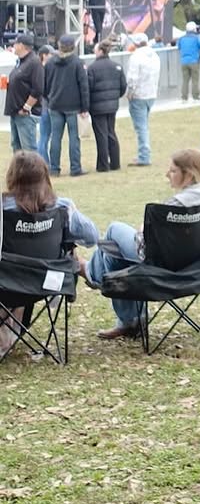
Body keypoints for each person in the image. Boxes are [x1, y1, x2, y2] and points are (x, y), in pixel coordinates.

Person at [83, 148, 200, 341]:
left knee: (113, 230)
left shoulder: (176, 204)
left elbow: (144, 247)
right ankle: (127, 320)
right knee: (112, 254)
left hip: (162, 266)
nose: (167, 175)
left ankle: (93, 276)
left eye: (173, 171)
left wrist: (142, 230)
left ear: (188, 175)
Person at [0, 151, 99, 359]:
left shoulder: (3, 208)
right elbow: (91, 237)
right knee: (70, 251)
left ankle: (9, 326)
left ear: (12, 177)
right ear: (45, 178)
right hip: (49, 283)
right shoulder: (62, 207)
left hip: (7, 284)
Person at [44, 34, 89, 177]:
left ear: (59, 46)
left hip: (55, 104)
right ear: (73, 47)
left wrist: (49, 98)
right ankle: (75, 168)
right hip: (74, 106)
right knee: (74, 137)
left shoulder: (50, 63)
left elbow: (45, 85)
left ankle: (54, 168)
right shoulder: (77, 63)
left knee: (55, 137)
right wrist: (85, 107)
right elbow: (84, 86)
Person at [86, 39, 127, 172]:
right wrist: (114, 97)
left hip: (97, 106)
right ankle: (115, 162)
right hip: (112, 105)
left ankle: (103, 164)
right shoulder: (117, 66)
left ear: (100, 51)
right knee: (111, 132)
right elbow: (123, 86)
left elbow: (88, 88)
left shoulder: (92, 68)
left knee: (101, 135)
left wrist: (87, 105)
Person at [126, 31, 161, 167]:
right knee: (144, 125)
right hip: (151, 93)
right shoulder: (154, 55)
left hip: (139, 95)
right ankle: (144, 154)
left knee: (141, 127)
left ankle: (144, 156)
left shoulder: (136, 57)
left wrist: (130, 92)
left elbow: (132, 78)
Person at [5, 32, 44, 152]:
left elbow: (38, 88)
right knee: (16, 147)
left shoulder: (34, 62)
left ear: (21, 45)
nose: (13, 46)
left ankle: (33, 166)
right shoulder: (20, 62)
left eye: (15, 44)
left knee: (28, 149)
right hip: (15, 112)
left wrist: (26, 108)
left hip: (25, 114)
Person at [178, 21, 200, 101]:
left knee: (185, 80)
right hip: (194, 61)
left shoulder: (181, 38)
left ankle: (184, 97)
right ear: (194, 29)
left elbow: (178, 47)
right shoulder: (197, 38)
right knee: (195, 80)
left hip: (184, 61)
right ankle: (195, 96)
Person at [35, 43, 53, 162]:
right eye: (51, 54)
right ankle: (44, 162)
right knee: (44, 136)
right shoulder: (42, 69)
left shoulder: (39, 68)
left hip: (43, 106)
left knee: (44, 136)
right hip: (45, 107)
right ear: (44, 55)